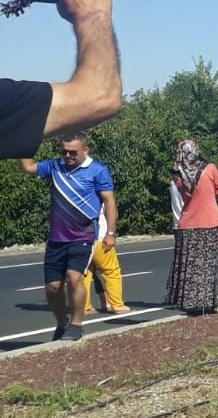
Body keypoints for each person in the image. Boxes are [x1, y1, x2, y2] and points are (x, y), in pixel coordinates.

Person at [0, 0, 123, 161]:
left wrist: (25, 135)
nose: (68, 156)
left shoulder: (95, 172)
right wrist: (93, 15)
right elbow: (100, 97)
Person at [19, 133, 117, 342]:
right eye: (64, 151)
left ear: (85, 150)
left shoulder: (97, 171)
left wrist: (110, 232)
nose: (68, 155)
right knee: (53, 287)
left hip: (84, 235)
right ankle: (61, 323)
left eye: (73, 152)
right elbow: (28, 168)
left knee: (75, 278)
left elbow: (109, 202)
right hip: (57, 238)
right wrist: (24, 141)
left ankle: (76, 324)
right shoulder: (55, 166)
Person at [167, 139, 218, 315]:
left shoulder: (177, 173)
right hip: (210, 222)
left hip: (187, 223)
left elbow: (182, 195)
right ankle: (207, 303)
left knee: (190, 265)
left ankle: (189, 302)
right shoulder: (210, 168)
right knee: (208, 264)